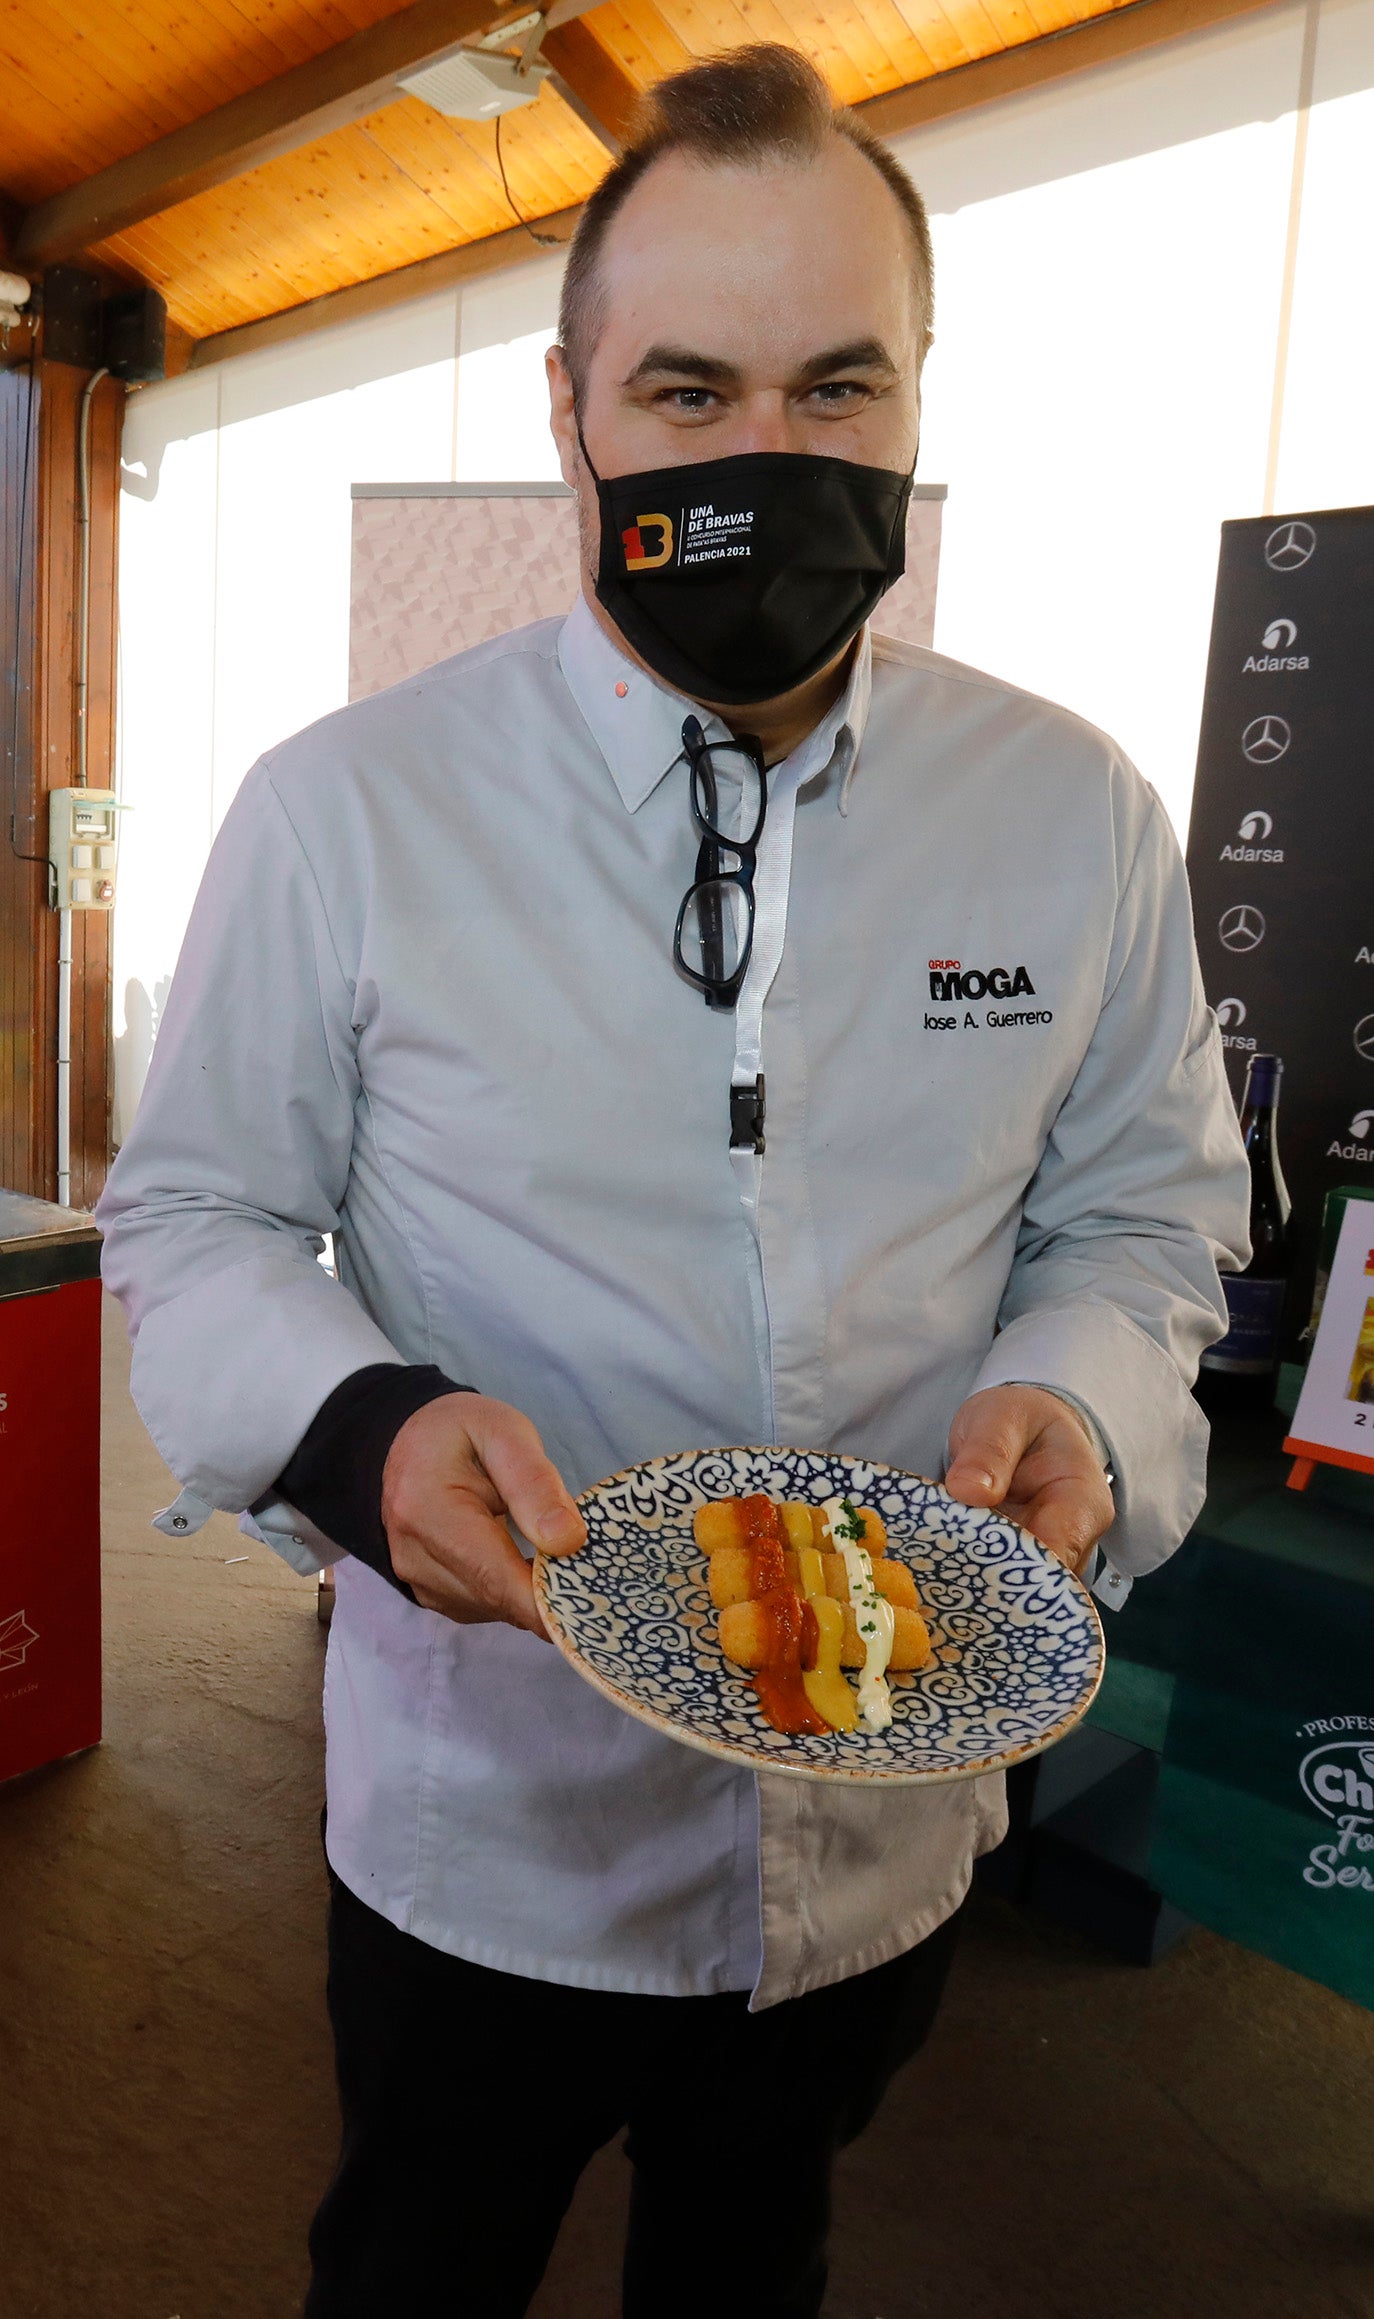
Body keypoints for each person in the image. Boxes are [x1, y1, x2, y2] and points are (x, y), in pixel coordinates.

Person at [96, 42, 1248, 2319]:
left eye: (837, 388)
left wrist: (1084, 1410)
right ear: (573, 412)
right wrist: (361, 1427)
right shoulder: (349, 813)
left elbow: (1140, 1214)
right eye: (690, 389)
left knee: (757, 2262)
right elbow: (200, 1217)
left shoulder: (1073, 809)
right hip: (483, 1824)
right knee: (416, 2263)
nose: (764, 459)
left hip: (886, 1828)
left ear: (919, 401)